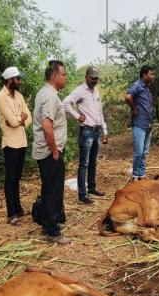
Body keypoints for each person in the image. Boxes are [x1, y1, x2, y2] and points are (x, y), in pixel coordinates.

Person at [32, 60, 71, 244]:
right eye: (63, 74)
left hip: (48, 150)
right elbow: (47, 126)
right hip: (49, 152)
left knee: (50, 189)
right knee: (52, 191)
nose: (65, 78)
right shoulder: (50, 96)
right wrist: (55, 151)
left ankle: (49, 222)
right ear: (54, 76)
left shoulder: (46, 93)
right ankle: (52, 231)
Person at [62, 66, 108, 204]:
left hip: (96, 131)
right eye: (92, 78)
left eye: (96, 78)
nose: (95, 80)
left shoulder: (96, 91)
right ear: (86, 77)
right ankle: (82, 195)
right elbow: (65, 103)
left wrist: (104, 130)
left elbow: (99, 113)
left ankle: (92, 188)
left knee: (93, 162)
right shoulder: (80, 91)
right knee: (84, 164)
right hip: (86, 131)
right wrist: (77, 116)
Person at [0, 66, 32, 226]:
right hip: (10, 143)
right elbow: (11, 121)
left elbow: (28, 117)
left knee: (17, 178)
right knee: (10, 178)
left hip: (22, 141)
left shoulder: (19, 96)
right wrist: (19, 119)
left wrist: (20, 120)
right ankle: (11, 214)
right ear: (9, 80)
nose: (20, 81)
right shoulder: (1, 97)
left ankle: (18, 209)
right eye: (18, 79)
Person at [124, 65, 155, 181]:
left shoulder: (146, 89)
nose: (152, 77)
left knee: (144, 152)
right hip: (139, 124)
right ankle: (135, 176)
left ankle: (142, 175)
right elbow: (128, 97)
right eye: (151, 74)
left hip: (148, 125)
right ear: (144, 75)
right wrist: (134, 108)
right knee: (139, 152)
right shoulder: (137, 85)